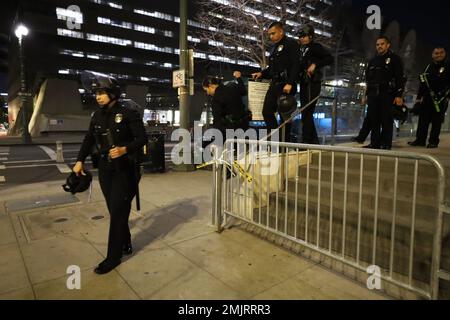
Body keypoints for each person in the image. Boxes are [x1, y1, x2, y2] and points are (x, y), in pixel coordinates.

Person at [74, 72, 148, 274]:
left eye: (102, 92)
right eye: (96, 93)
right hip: (106, 171)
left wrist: (124, 149)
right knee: (116, 211)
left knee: (117, 212)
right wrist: (79, 160)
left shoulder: (128, 112)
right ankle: (125, 243)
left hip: (126, 170)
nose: (97, 96)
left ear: (113, 93)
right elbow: (89, 139)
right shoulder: (97, 115)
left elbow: (142, 139)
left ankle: (113, 257)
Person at [252, 21, 300, 142]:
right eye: (269, 34)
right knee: (267, 111)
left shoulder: (291, 44)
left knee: (285, 116)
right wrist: (262, 73)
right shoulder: (273, 48)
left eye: (273, 33)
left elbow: (296, 64)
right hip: (275, 84)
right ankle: (275, 141)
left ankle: (285, 144)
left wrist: (290, 82)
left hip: (286, 84)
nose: (271, 36)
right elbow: (272, 68)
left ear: (281, 31)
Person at [363, 36, 405, 150]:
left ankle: (386, 144)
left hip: (387, 93)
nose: (379, 46)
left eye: (382, 44)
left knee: (386, 119)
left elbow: (400, 78)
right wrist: (365, 95)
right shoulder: (372, 60)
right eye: (377, 44)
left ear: (388, 45)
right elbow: (368, 79)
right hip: (373, 94)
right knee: (374, 119)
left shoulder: (394, 59)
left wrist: (398, 95)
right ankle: (374, 143)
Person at [408, 46, 450, 148]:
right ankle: (420, 140)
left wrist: (447, 96)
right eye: (436, 53)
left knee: (436, 122)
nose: (439, 55)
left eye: (441, 53)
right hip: (427, 98)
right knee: (423, 120)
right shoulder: (428, 67)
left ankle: (433, 142)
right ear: (432, 55)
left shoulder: (448, 67)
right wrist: (418, 98)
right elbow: (423, 84)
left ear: (445, 54)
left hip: (440, 98)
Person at [298, 25, 333, 144]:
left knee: (307, 112)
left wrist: (315, 64)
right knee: (305, 112)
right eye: (300, 36)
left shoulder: (315, 47)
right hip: (304, 83)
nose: (301, 38)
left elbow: (329, 58)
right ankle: (313, 141)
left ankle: (307, 141)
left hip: (312, 82)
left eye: (303, 36)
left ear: (310, 36)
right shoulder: (302, 49)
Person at [202, 71, 250, 136]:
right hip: (244, 126)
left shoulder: (216, 99)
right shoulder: (232, 86)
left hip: (231, 131)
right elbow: (244, 91)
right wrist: (239, 78)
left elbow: (217, 121)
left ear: (210, 86)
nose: (207, 93)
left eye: (206, 90)